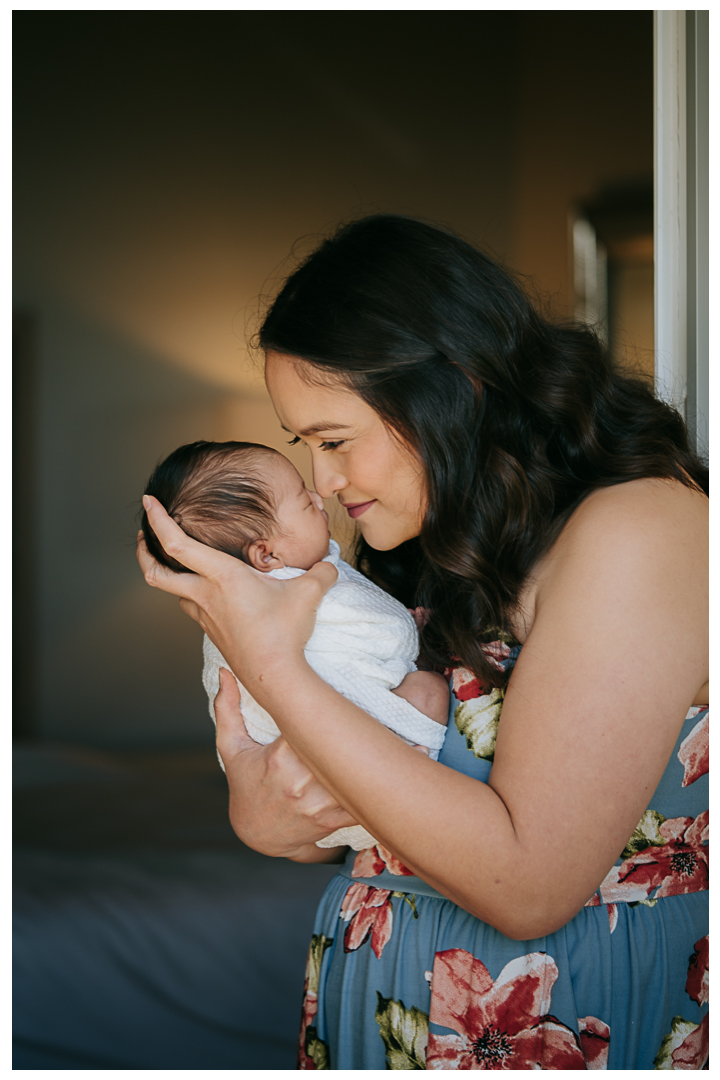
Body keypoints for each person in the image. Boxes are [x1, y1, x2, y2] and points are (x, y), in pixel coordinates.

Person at [138, 215, 708, 1070]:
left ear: (454, 386)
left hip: (571, 1017)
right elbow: (329, 815)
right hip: (382, 1004)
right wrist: (258, 813)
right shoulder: (439, 541)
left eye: (334, 442)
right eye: (305, 448)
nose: (324, 484)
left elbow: (529, 885)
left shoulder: (639, 528)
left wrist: (267, 660)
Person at [140, 438, 448, 850]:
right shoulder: (293, 587)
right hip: (351, 787)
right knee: (427, 690)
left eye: (335, 439)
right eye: (305, 501)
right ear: (266, 556)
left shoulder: (243, 602)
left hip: (315, 808)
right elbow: (389, 632)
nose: (321, 493)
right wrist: (410, 631)